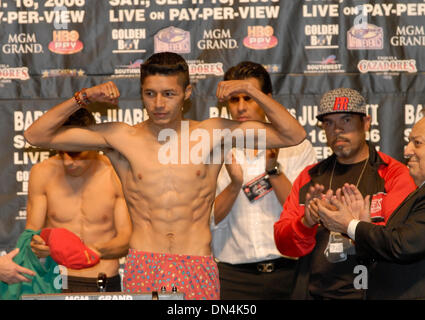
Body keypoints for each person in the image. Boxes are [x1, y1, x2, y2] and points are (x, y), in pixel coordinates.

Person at [23, 52, 306, 300]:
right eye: (150, 93)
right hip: (145, 263)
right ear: (141, 92)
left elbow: (293, 135)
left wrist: (250, 90)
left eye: (169, 94)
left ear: (187, 92)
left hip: (197, 263)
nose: (159, 103)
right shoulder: (121, 138)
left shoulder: (212, 133)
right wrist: (83, 98)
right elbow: (36, 135)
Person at [273, 88, 416, 299]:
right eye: (328, 123)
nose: (337, 129)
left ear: (366, 123)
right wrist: (306, 222)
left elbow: (400, 243)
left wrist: (358, 225)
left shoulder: (394, 174)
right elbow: (283, 244)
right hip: (314, 294)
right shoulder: (309, 177)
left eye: (346, 120)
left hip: (374, 293)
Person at [211, 61, 317, 300]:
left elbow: (304, 210)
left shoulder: (296, 147)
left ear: (266, 98)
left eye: (248, 98)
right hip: (233, 277)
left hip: (290, 271)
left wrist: (274, 171)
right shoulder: (213, 149)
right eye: (234, 99)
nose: (240, 107)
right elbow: (208, 218)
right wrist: (234, 185)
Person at [315, 116, 425, 299]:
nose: (407, 151)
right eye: (409, 142)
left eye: (418, 143)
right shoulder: (418, 192)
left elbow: (402, 245)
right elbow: (389, 250)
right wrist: (362, 225)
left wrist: (349, 225)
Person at [25, 108, 132, 293]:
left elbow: (126, 239)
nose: (68, 162)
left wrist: (92, 252)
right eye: (62, 152)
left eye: (75, 153)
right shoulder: (41, 173)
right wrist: (37, 244)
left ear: (92, 143)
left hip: (103, 282)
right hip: (56, 282)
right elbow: (32, 232)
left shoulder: (115, 173)